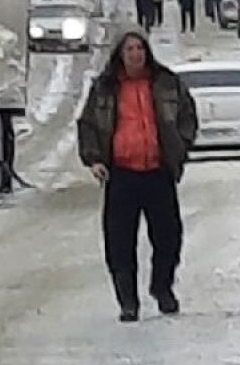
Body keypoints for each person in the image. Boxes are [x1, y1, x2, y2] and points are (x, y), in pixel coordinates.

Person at [77, 31, 198, 322]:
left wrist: (179, 148)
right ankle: (128, 301)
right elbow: (88, 124)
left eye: (140, 48)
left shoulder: (166, 82)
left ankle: (162, 287)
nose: (135, 54)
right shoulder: (105, 88)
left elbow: (187, 116)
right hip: (121, 175)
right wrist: (94, 159)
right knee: (120, 242)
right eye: (129, 49)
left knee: (169, 237)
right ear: (120, 54)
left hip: (158, 172)